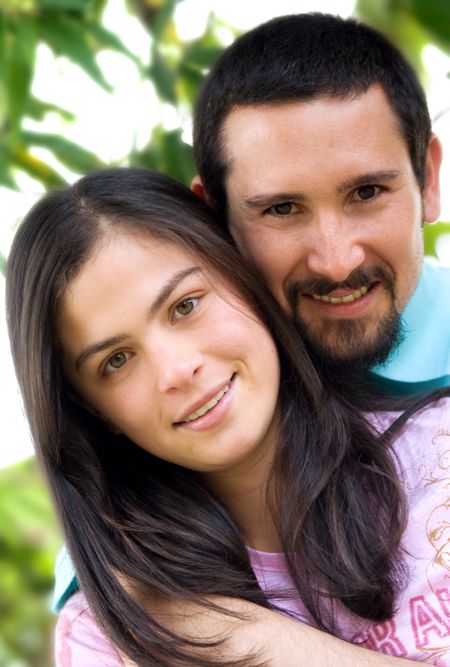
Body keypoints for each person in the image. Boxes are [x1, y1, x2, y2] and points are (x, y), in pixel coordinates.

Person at [6, 167, 450, 666]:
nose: (176, 370)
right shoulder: (107, 636)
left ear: (244, 279)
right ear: (91, 408)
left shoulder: (439, 452)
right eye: (116, 361)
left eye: (186, 305)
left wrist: (237, 638)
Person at [191, 12, 450, 395]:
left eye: (367, 193)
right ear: (213, 218)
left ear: (427, 180)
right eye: (282, 209)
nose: (337, 263)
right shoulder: (191, 387)